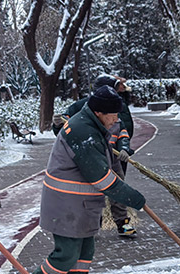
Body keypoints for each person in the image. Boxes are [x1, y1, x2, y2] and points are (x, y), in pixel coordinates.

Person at [13, 85, 145, 274]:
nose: (116, 120)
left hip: (80, 205)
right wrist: (132, 197)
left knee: (84, 252)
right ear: (100, 112)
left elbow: (105, 163)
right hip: (66, 205)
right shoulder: (83, 131)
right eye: (113, 115)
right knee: (66, 254)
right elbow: (100, 177)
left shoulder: (93, 126)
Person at [52, 73, 137, 236]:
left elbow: (123, 131)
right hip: (90, 157)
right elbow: (66, 129)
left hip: (112, 158)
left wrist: (125, 148)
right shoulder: (80, 108)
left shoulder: (117, 107)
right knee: (90, 191)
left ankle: (122, 223)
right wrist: (57, 124)